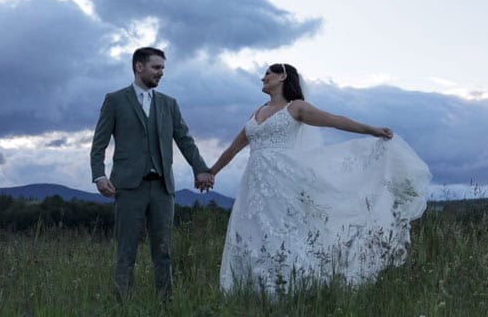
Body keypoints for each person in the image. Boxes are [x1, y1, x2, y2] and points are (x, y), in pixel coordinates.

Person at [208, 63, 431, 294]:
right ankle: (254, 290)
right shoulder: (256, 113)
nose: (262, 78)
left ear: (283, 76)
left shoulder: (296, 108)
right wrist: (212, 172)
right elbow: (233, 149)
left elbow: (334, 120)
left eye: (267, 74)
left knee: (285, 232)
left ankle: (296, 289)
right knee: (253, 233)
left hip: (283, 183)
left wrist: (371, 130)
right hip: (253, 187)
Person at [90, 47, 215, 301]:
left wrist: (200, 169)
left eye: (163, 68)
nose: (161, 73)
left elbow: (185, 140)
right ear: (139, 67)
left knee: (164, 251)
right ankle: (122, 308)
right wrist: (99, 175)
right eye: (156, 67)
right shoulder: (115, 100)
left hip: (162, 189)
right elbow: (99, 143)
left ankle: (165, 307)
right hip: (127, 188)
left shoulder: (169, 104)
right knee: (126, 252)